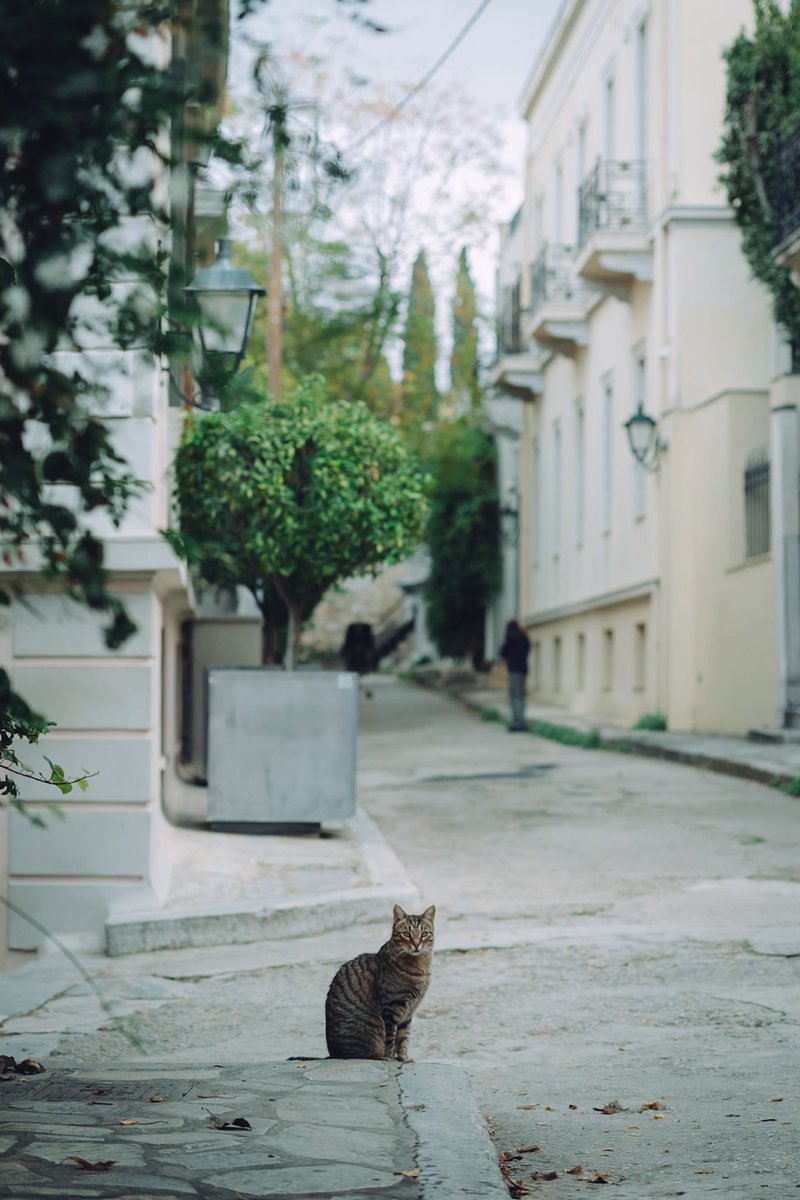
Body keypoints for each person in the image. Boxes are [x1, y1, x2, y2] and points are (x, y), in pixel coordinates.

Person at [499, 619, 530, 732]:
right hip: (523, 669)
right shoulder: (524, 636)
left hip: (514, 670)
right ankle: (522, 721)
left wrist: (509, 658)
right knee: (521, 696)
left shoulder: (510, 636)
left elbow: (503, 651)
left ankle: (518, 723)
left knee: (514, 696)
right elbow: (527, 649)